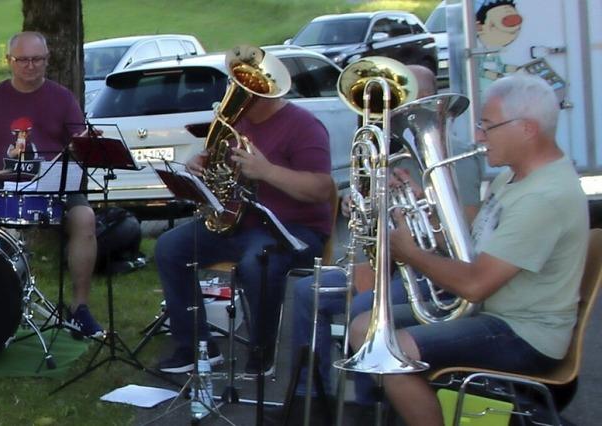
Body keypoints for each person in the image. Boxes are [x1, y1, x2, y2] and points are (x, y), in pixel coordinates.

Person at [349, 73, 588, 426]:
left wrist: (412, 254)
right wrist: (423, 212)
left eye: (487, 126)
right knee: (363, 327)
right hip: (495, 312)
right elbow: (474, 250)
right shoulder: (515, 177)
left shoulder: (544, 197)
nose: (478, 136)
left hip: (523, 333)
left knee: (386, 351)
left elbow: (475, 284)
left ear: (527, 128)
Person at [287, 65, 483, 409]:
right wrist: (360, 204)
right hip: (387, 265)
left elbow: (462, 233)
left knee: (365, 309)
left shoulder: (454, 153)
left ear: (427, 98)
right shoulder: (387, 152)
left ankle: (371, 403)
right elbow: (374, 232)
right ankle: (311, 396)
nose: (390, 109)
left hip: (433, 274)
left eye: (401, 99)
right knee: (308, 291)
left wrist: (419, 200)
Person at [154, 83, 333, 375]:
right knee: (169, 248)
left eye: (241, 88)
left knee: (257, 263)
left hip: (292, 231)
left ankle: (262, 351)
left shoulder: (304, 125)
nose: (232, 93)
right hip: (236, 224)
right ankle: (196, 346)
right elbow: (216, 173)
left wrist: (266, 171)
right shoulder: (233, 123)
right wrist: (197, 168)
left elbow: (321, 189)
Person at [0, 31, 103, 337]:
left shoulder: (63, 99)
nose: (30, 66)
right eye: (22, 59)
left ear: (47, 60)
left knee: (85, 217)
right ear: (9, 61)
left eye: (37, 59)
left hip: (55, 184)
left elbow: (80, 145)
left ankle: (80, 308)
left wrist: (89, 145)